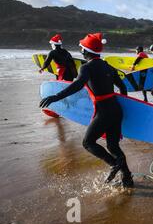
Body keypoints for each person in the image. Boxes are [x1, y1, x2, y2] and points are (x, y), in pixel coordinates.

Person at [39, 33, 134, 188]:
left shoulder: (86, 67)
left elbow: (77, 86)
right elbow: (123, 88)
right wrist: (124, 107)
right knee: (113, 146)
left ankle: (113, 164)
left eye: (81, 48)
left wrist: (56, 97)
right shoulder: (108, 66)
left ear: (85, 50)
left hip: (103, 111)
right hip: (116, 109)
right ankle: (127, 178)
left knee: (88, 142)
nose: (80, 50)